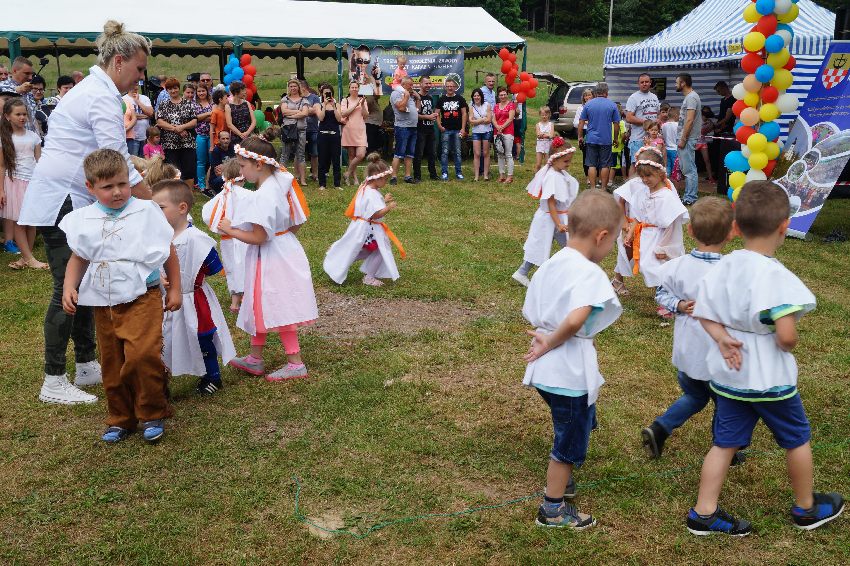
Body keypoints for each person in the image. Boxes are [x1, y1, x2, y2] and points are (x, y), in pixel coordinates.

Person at [686, 180, 845, 536]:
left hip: (731, 375)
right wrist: (788, 342)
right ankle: (806, 507)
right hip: (770, 379)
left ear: (736, 226)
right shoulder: (776, 276)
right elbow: (785, 336)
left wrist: (722, 338)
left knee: (724, 443)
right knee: (796, 439)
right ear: (784, 226)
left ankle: (703, 512)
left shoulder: (724, 266)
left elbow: (704, 311)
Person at [19, 20, 153, 406]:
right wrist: (152, 204)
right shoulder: (101, 96)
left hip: (69, 195)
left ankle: (86, 362)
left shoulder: (95, 90)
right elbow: (115, 161)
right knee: (66, 286)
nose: (141, 77)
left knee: (83, 280)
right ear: (119, 61)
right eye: (139, 68)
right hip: (62, 197)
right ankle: (53, 378)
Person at [60, 149, 180, 443]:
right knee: (112, 361)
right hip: (105, 301)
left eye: (122, 184)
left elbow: (167, 249)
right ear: (90, 187)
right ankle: (121, 417)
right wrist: (69, 286)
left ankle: (152, 411)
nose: (117, 192)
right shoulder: (84, 219)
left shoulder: (146, 211)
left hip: (143, 295)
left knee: (142, 355)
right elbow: (79, 257)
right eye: (107, 186)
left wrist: (174, 287)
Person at [522, 189, 623, 530]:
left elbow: (532, 306)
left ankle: (563, 481)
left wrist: (546, 336)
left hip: (545, 371)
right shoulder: (589, 272)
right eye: (614, 242)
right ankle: (552, 508)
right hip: (566, 370)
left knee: (574, 420)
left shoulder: (553, 262)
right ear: (601, 236)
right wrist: (552, 341)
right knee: (568, 439)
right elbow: (578, 318)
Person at [641, 197, 735, 458]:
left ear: (690, 230)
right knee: (725, 402)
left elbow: (661, 294)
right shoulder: (731, 271)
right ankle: (725, 447)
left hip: (687, 352)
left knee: (695, 396)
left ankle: (660, 428)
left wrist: (679, 305)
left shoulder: (677, 266)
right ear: (731, 233)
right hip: (718, 355)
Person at [220, 136, 318, 382]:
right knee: (259, 302)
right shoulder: (279, 183)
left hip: (272, 256)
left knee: (278, 302)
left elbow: (259, 237)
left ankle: (295, 362)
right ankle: (255, 358)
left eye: (242, 165)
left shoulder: (264, 195)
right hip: (283, 249)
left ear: (258, 165)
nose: (240, 171)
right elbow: (297, 220)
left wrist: (231, 230)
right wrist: (283, 235)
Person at [153, 180, 235, 396]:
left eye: (160, 208)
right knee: (163, 339)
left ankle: (213, 376)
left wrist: (189, 277)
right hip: (163, 299)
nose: (155, 213)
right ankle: (159, 382)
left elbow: (212, 266)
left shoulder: (196, 239)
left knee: (202, 337)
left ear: (182, 208)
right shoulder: (156, 237)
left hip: (194, 299)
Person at [622, 149, 688, 317]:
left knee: (661, 268)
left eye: (649, 176)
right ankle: (664, 296)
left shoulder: (666, 196)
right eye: (642, 177)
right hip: (647, 237)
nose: (645, 180)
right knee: (648, 267)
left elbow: (672, 225)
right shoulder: (643, 192)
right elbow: (637, 216)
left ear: (660, 173)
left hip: (661, 238)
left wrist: (664, 247)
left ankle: (669, 302)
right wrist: (630, 233)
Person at [323, 152, 405, 286]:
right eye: (385, 179)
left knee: (365, 250)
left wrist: (383, 200)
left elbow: (367, 207)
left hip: (362, 227)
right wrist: (388, 207)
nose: (386, 182)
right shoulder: (372, 193)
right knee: (380, 251)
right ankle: (369, 277)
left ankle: (340, 256)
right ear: (377, 177)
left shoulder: (365, 187)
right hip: (369, 230)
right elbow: (375, 214)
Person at [512, 138, 578, 287]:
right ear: (554, 160)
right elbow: (551, 203)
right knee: (542, 246)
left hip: (558, 218)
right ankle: (523, 272)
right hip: (550, 219)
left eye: (569, 161)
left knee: (569, 246)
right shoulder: (552, 177)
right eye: (566, 161)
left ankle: (569, 273)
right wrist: (558, 223)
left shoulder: (559, 173)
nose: (569, 164)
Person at [1, 98, 47, 269]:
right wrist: (1, 190)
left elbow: (39, 161)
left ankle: (25, 258)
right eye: (17, 114)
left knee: (31, 220)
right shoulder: (5, 138)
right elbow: (2, 166)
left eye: (24, 114)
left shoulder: (33, 137)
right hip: (14, 182)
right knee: (20, 221)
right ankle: (29, 258)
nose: (22, 117)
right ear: (7, 116)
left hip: (32, 182)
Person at [202, 159, 249, 312]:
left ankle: (235, 302)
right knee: (246, 266)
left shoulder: (222, 195)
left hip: (227, 240)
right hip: (245, 238)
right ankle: (247, 297)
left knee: (231, 268)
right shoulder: (248, 196)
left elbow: (207, 214)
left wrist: (220, 228)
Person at [156, 78, 198, 191]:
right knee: (173, 171)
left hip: (187, 143)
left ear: (179, 88)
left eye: (175, 88)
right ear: (167, 90)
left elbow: (194, 121)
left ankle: (188, 195)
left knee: (188, 171)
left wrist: (182, 127)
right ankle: (175, 196)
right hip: (170, 144)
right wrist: (176, 129)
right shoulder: (163, 104)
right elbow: (160, 122)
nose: (173, 91)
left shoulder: (189, 103)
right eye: (170, 89)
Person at [577, 82, 619, 190]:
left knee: (592, 165)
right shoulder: (612, 105)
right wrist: (615, 138)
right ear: (606, 92)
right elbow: (616, 125)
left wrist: (580, 137)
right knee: (605, 165)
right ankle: (603, 188)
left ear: (595, 92)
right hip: (606, 139)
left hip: (591, 138)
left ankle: (592, 188)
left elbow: (581, 122)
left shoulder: (588, 104)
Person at [625, 74, 660, 177]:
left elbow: (657, 114)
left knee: (649, 165)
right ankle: (631, 184)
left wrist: (658, 121)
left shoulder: (654, 97)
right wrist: (646, 122)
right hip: (638, 138)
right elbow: (629, 117)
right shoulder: (634, 97)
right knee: (635, 164)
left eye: (646, 82)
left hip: (652, 139)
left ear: (650, 83)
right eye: (642, 82)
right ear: (638, 84)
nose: (644, 84)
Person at [277, 79, 310, 186]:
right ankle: (280, 178)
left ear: (298, 87)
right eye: (291, 86)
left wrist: (291, 115)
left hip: (301, 130)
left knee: (301, 155)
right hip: (287, 130)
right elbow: (284, 111)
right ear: (289, 88)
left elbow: (305, 113)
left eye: (295, 86)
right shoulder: (285, 99)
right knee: (285, 154)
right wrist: (297, 112)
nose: (293, 88)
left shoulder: (304, 100)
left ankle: (303, 179)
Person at [676, 73, 702, 206]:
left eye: (677, 82)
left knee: (689, 170)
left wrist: (683, 138)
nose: (675, 85)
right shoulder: (690, 97)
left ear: (683, 83)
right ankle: (689, 196)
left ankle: (690, 197)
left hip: (687, 138)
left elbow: (690, 120)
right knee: (687, 168)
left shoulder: (691, 97)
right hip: (687, 138)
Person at [389, 77, 420, 185]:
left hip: (413, 126)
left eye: (412, 85)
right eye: (410, 85)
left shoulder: (410, 95)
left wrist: (418, 99)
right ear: (403, 85)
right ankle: (393, 177)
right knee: (399, 153)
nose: (412, 87)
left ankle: (408, 176)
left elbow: (417, 110)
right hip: (402, 127)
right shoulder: (396, 94)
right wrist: (406, 96)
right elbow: (401, 107)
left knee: (410, 153)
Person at [436, 78, 467, 181]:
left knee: (457, 151)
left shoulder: (460, 99)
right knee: (444, 152)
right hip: (446, 130)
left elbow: (464, 113)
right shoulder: (441, 99)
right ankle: (444, 173)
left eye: (452, 86)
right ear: (445, 87)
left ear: (455, 87)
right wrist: (439, 126)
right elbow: (436, 114)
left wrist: (463, 128)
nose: (450, 88)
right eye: (448, 86)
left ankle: (459, 172)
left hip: (457, 130)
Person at [315, 83, 343, 191]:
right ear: (322, 94)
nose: (327, 95)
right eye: (325, 93)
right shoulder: (319, 105)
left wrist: (334, 106)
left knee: (336, 159)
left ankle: (337, 184)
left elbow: (339, 119)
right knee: (322, 159)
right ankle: (322, 184)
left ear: (332, 93)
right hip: (322, 134)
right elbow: (321, 118)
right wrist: (325, 105)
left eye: (329, 93)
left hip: (334, 135)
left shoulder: (337, 104)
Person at [0, 57, 38, 134]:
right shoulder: (2, 86)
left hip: (30, 136)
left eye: (32, 74)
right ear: (14, 71)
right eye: (27, 73)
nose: (30, 77)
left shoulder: (28, 89)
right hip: (10, 136)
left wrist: (37, 136)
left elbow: (32, 116)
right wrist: (18, 90)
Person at [340, 81, 368, 185]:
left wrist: (362, 105)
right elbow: (344, 113)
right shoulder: (345, 100)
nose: (354, 89)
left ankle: (347, 173)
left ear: (359, 89)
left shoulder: (363, 100)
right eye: (352, 87)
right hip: (349, 129)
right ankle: (355, 178)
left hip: (360, 129)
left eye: (356, 87)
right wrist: (356, 104)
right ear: (349, 89)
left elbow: (365, 115)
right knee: (351, 155)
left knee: (361, 154)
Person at [413, 76, 439, 182]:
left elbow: (430, 111)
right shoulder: (416, 97)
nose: (428, 85)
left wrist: (433, 115)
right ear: (420, 84)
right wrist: (427, 117)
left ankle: (433, 174)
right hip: (420, 129)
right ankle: (417, 176)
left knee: (432, 153)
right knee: (418, 154)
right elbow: (414, 115)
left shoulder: (430, 97)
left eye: (429, 83)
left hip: (430, 129)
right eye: (426, 83)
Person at [713, 81, 736, 195]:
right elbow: (722, 114)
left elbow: (728, 117)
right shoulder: (723, 100)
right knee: (716, 152)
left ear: (724, 88)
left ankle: (721, 176)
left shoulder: (732, 99)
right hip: (719, 128)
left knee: (722, 153)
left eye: (719, 91)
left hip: (726, 130)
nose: (718, 93)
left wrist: (718, 125)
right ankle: (716, 174)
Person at [193, 83, 214, 194]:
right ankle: (201, 185)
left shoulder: (212, 103)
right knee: (201, 161)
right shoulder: (194, 104)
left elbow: (214, 117)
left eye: (203, 91)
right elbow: (194, 118)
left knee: (212, 160)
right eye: (199, 91)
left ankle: (210, 183)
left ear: (207, 91)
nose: (201, 93)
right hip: (200, 135)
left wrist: (202, 117)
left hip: (212, 135)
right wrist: (208, 114)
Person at [123, 83, 153, 157]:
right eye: (133, 84)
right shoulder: (123, 99)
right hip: (131, 137)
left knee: (144, 161)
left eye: (136, 85)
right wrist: (145, 115)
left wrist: (138, 101)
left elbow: (151, 113)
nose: (135, 87)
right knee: (134, 160)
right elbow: (128, 115)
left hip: (145, 136)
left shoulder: (145, 98)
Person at [492, 86, 515, 184]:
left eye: (504, 94)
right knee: (500, 154)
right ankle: (501, 175)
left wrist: (502, 127)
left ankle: (509, 176)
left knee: (508, 154)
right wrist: (497, 127)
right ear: (498, 96)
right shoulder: (496, 106)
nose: (503, 96)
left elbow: (510, 118)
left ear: (507, 94)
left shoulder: (511, 105)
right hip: (497, 132)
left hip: (508, 131)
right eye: (501, 95)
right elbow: (493, 118)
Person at [469, 88, 492, 182]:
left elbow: (489, 120)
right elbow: (471, 121)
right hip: (476, 132)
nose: (476, 97)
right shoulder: (471, 106)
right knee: (477, 153)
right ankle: (476, 175)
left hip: (486, 131)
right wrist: (482, 119)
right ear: (472, 97)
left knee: (486, 153)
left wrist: (477, 121)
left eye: (478, 95)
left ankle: (486, 175)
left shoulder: (487, 105)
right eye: (475, 96)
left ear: (481, 96)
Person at [300, 80, 321, 183]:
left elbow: (316, 110)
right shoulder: (297, 98)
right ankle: (300, 175)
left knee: (314, 153)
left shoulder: (314, 97)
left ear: (304, 88)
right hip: (300, 129)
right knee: (299, 153)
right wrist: (309, 110)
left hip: (313, 129)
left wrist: (303, 111)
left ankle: (315, 174)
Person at [224, 80, 256, 147]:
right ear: (236, 92)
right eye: (243, 90)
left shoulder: (247, 103)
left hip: (249, 135)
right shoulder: (228, 106)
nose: (245, 92)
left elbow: (254, 121)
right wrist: (240, 134)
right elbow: (229, 124)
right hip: (236, 137)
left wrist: (247, 133)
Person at [573, 88, 594, 182]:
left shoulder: (596, 107)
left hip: (594, 132)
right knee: (586, 155)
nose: (587, 97)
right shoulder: (580, 108)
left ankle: (596, 175)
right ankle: (588, 177)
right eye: (586, 95)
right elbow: (575, 123)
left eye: (589, 95)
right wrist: (584, 122)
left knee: (595, 154)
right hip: (584, 132)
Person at [696, 106, 716, 184]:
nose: (705, 116)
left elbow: (708, 131)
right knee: (691, 160)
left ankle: (710, 178)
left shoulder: (709, 121)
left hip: (702, 142)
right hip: (694, 142)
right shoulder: (697, 120)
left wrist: (709, 128)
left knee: (707, 160)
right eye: (704, 113)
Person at [534, 106, 554, 174]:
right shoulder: (538, 125)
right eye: (542, 115)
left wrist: (544, 135)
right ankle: (536, 177)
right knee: (538, 164)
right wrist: (546, 135)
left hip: (548, 146)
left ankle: (546, 177)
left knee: (547, 164)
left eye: (546, 115)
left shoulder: (551, 124)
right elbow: (538, 134)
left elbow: (551, 135)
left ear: (549, 115)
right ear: (540, 115)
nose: (544, 116)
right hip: (540, 146)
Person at [661, 106, 679, 177]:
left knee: (667, 167)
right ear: (676, 115)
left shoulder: (663, 125)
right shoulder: (678, 125)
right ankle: (675, 182)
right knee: (675, 169)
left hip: (666, 149)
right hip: (675, 149)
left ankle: (667, 180)